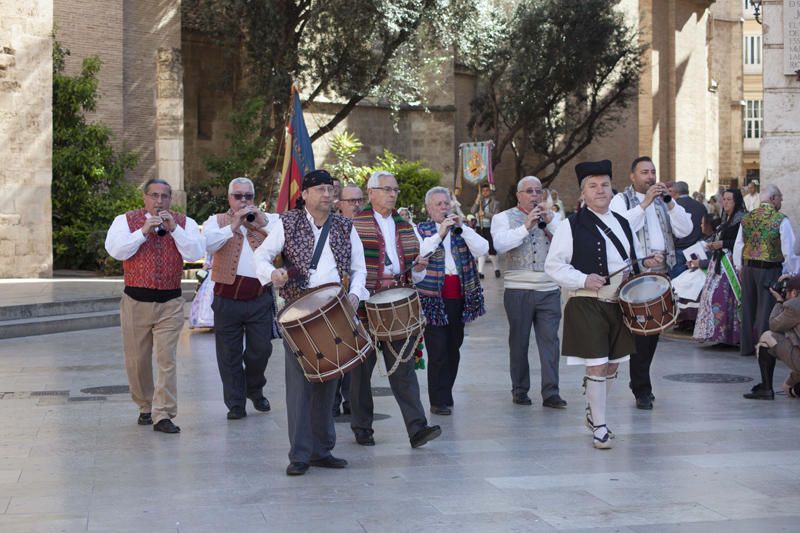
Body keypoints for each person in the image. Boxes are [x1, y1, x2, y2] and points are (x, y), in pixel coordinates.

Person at [253, 169, 369, 476]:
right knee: (300, 386)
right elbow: (261, 257)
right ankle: (300, 455)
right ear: (304, 194)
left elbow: (359, 268)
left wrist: (356, 296)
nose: (327, 194)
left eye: (330, 189)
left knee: (329, 383)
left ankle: (322, 450)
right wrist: (271, 274)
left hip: (336, 311)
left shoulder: (345, 226)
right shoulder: (286, 223)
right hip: (299, 313)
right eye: (319, 189)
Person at [545, 160, 658, 449]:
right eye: (593, 186)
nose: (600, 191)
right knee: (596, 365)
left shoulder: (621, 222)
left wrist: (644, 263)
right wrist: (583, 278)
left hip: (617, 304)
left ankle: (593, 414)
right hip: (586, 303)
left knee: (612, 366)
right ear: (582, 193)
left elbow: (626, 261)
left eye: (605, 185)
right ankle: (601, 427)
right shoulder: (570, 226)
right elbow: (553, 266)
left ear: (612, 188)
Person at [349, 170, 442, 448]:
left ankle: (417, 428)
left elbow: (416, 274)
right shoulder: (354, 224)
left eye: (395, 190)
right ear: (371, 192)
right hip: (366, 303)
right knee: (361, 370)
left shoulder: (406, 226)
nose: (392, 194)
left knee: (403, 367)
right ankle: (362, 426)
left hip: (399, 302)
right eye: (387, 189)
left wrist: (419, 269)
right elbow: (351, 267)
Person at [105, 178, 204, 434]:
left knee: (166, 359)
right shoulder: (124, 221)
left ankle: (164, 414)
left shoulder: (185, 223)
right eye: (154, 196)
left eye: (164, 196)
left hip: (170, 301)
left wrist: (175, 230)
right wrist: (143, 231)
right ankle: (145, 405)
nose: (159, 201)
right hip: (136, 301)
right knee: (136, 360)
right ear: (145, 198)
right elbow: (116, 251)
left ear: (170, 199)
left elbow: (195, 253)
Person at [610, 156, 693, 410]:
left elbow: (685, 229)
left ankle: (640, 384)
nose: (650, 176)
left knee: (654, 333)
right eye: (644, 172)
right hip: (637, 275)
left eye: (653, 172)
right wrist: (645, 203)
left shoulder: (663, 202)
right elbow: (620, 228)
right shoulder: (621, 200)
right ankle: (641, 388)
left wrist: (669, 203)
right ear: (632, 176)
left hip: (661, 274)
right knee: (641, 335)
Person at [203, 177, 278, 420]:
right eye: (238, 196)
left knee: (261, 350)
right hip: (227, 297)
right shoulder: (216, 221)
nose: (243, 200)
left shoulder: (269, 220)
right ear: (229, 198)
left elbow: (284, 246)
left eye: (248, 196)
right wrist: (233, 225)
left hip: (259, 297)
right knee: (228, 354)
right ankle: (235, 403)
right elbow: (208, 244)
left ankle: (254, 389)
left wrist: (262, 223)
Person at [491, 176, 566, 408]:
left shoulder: (553, 217)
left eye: (538, 191)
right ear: (518, 195)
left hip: (548, 288)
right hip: (518, 289)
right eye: (529, 191)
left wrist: (550, 219)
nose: (534, 195)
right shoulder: (502, 218)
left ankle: (551, 392)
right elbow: (501, 245)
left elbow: (566, 242)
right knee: (519, 341)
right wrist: (526, 226)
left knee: (550, 342)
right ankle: (520, 389)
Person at [417, 187, 488, 415]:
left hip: (459, 295)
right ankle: (437, 400)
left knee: (453, 347)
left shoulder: (462, 230)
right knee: (437, 349)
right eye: (438, 204)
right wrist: (440, 233)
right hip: (432, 299)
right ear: (429, 208)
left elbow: (483, 249)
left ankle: (445, 392)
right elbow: (421, 252)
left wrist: (461, 228)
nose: (443, 208)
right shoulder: (421, 229)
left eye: (446, 203)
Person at [734, 184, 795, 360]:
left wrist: (739, 267)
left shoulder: (747, 217)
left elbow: (739, 244)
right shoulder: (780, 219)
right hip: (769, 269)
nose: (781, 201)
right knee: (766, 310)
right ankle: (764, 348)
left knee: (747, 308)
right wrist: (790, 272)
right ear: (773, 198)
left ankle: (746, 347)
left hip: (747, 267)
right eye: (781, 198)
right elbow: (788, 250)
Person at [692, 189, 746, 346]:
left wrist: (722, 244)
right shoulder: (725, 219)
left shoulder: (741, 219)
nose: (726, 202)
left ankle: (730, 335)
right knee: (712, 298)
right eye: (724, 199)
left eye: (729, 199)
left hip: (730, 263)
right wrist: (713, 245)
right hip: (718, 262)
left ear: (736, 201)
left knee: (725, 298)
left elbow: (741, 242)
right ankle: (714, 334)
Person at [331, 183, 363, 417]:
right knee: (334, 351)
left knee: (355, 353)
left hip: (360, 299)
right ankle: (332, 402)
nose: (356, 205)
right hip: (333, 300)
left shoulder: (371, 225)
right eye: (351, 201)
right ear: (339, 204)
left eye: (359, 200)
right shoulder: (333, 227)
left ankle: (353, 401)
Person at [744, 275, 800, 400]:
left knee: (767, 337)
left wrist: (779, 301)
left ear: (795, 292)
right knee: (789, 387)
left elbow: (774, 325)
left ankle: (766, 388)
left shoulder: (795, 305)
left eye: (788, 291)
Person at [670, 181, 707, 278]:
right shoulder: (700, 206)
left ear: (675, 192)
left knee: (677, 282)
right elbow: (706, 226)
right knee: (693, 280)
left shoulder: (673, 207)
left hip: (678, 248)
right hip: (695, 248)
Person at [470, 183, 501, 279]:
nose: (485, 192)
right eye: (483, 191)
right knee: (481, 249)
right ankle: (480, 272)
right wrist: (476, 200)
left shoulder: (496, 203)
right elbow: (472, 211)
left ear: (490, 191)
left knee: (492, 249)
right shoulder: (480, 202)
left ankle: (496, 269)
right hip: (480, 227)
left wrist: (486, 214)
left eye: (487, 190)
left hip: (490, 228)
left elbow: (496, 216)